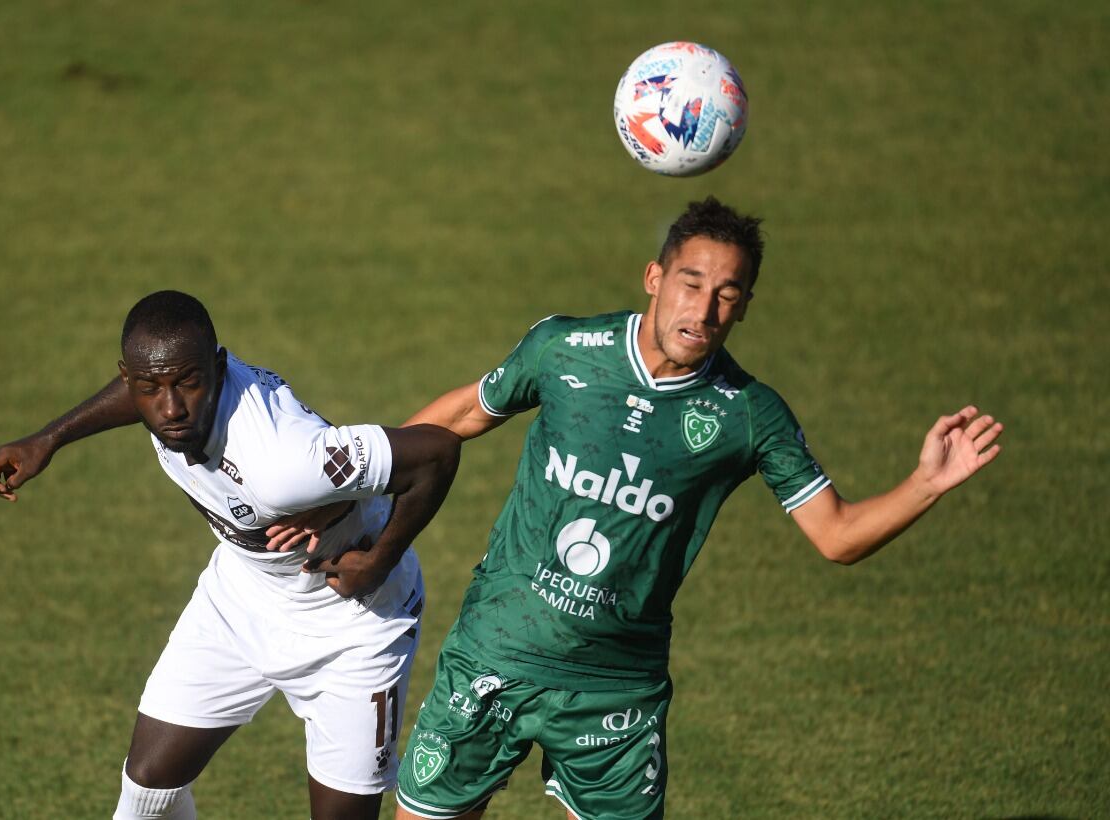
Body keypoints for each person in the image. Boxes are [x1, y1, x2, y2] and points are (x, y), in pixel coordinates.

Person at [385, 197, 1003, 820]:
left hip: (617, 692)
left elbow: (837, 535)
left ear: (745, 307)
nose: (705, 310)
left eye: (728, 294)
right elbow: (462, 416)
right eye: (692, 283)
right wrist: (354, 487)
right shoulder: (565, 348)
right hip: (497, 653)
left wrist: (926, 482)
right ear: (655, 279)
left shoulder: (749, 414)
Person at [0, 290, 460, 820]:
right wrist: (48, 439)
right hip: (242, 602)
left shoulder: (282, 462)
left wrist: (379, 561)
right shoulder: (168, 395)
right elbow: (155, 382)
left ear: (217, 366)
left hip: (353, 629)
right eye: (149, 387)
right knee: (146, 792)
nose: (169, 408)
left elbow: (436, 453)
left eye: (187, 383)